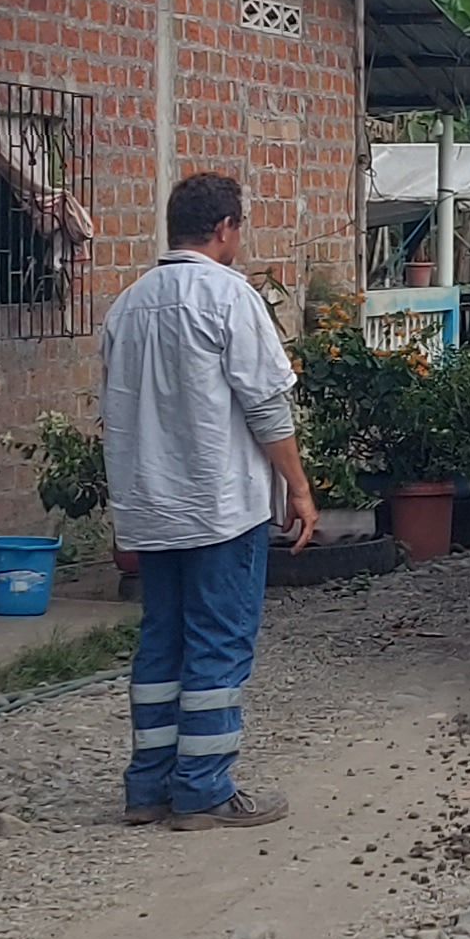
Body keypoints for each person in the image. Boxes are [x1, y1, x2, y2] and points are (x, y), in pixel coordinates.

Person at [99, 170, 321, 832]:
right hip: (221, 505)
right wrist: (298, 487)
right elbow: (266, 406)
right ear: (225, 228)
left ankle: (148, 786)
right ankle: (202, 790)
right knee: (218, 643)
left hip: (151, 507)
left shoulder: (127, 306)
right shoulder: (229, 297)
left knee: (161, 642)